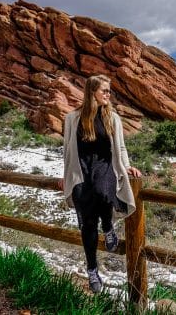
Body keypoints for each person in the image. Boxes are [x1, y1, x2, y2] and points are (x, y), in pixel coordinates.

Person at [58, 74, 141, 293]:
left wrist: (127, 166)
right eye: (104, 90)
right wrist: (66, 176)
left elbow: (121, 147)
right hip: (82, 170)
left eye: (109, 91)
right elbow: (67, 151)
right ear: (92, 91)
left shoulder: (112, 118)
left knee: (104, 192)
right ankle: (92, 270)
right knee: (87, 223)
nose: (108, 94)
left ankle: (108, 226)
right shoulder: (72, 118)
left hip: (105, 168)